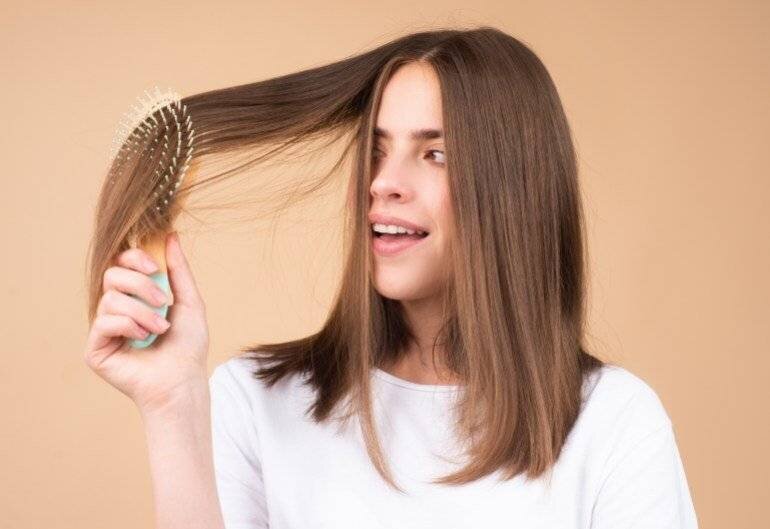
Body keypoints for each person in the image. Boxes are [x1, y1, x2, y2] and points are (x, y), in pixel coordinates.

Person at [84, 28, 699, 529]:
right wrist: (172, 407)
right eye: (377, 150)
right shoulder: (256, 403)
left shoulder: (614, 424)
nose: (384, 182)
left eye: (436, 153)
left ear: (515, 188)